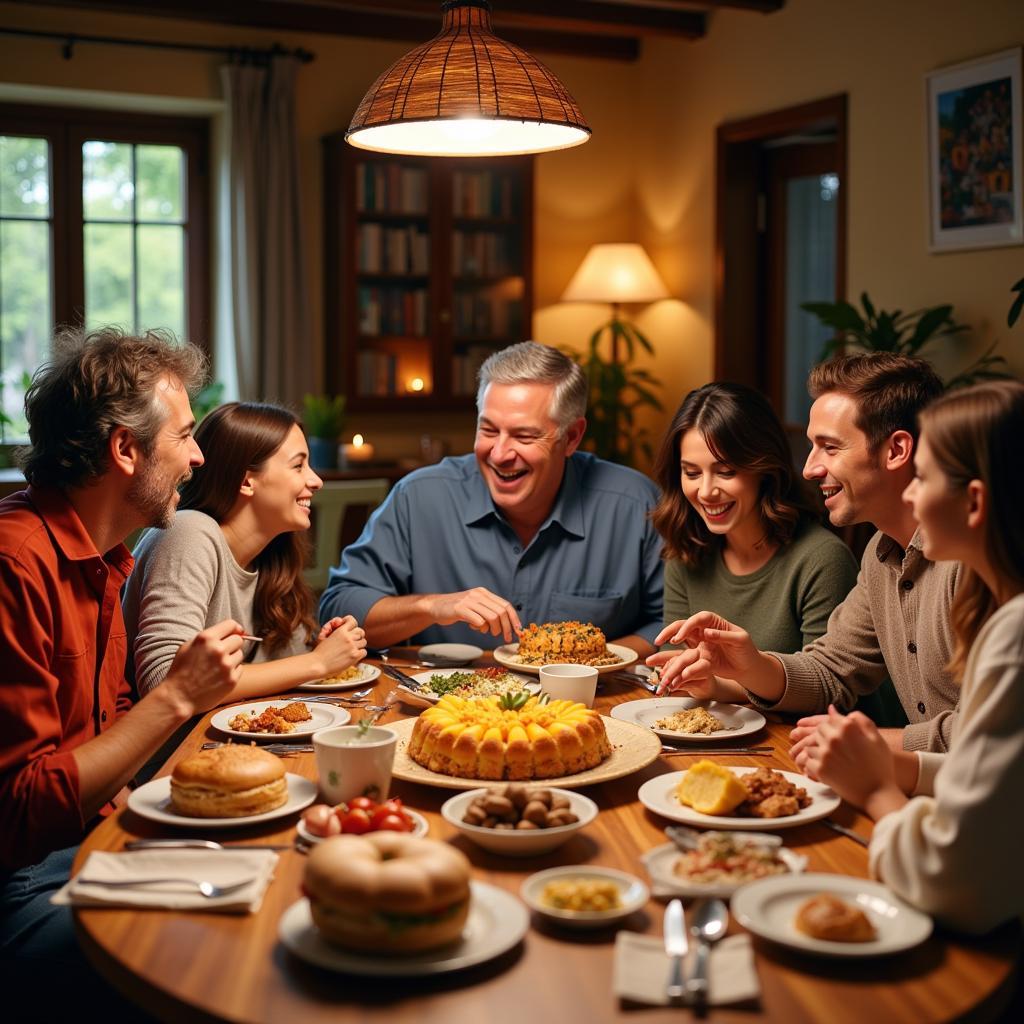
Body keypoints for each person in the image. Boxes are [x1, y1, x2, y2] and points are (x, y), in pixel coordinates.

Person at [0, 327, 246, 1012]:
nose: (199, 457)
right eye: (187, 436)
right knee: (221, 938)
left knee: (271, 866)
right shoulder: (15, 565)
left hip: (88, 844)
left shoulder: (111, 559)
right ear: (126, 449)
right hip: (20, 885)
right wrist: (176, 696)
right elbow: (19, 815)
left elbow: (108, 739)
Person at [794, 380, 1024, 934]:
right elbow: (987, 774)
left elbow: (954, 881)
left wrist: (877, 786)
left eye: (923, 478)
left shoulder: (1012, 630)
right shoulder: (882, 557)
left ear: (973, 502)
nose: (913, 499)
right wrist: (897, 764)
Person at [652, 353, 959, 752]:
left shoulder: (974, 559)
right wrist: (751, 665)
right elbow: (831, 670)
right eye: (813, 447)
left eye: (830, 448)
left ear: (896, 450)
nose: (809, 469)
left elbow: (997, 734)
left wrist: (876, 744)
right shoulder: (879, 555)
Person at [320, 341, 663, 653]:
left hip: (589, 710)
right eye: (488, 430)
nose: (499, 454)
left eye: (524, 436)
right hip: (448, 711)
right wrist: (433, 607)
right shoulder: (420, 497)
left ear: (571, 437)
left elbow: (674, 622)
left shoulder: (635, 505)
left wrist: (591, 659)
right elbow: (340, 610)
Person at [123, 402, 366, 699]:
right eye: (298, 465)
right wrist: (316, 663)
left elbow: (281, 671)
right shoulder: (188, 532)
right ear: (247, 480)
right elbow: (163, 682)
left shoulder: (272, 553)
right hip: (173, 745)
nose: (316, 481)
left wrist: (321, 652)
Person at [648, 382, 857, 666]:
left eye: (725, 471)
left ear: (765, 469)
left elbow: (825, 687)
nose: (707, 491)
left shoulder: (821, 560)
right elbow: (674, 667)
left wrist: (718, 683)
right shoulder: (686, 550)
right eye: (692, 473)